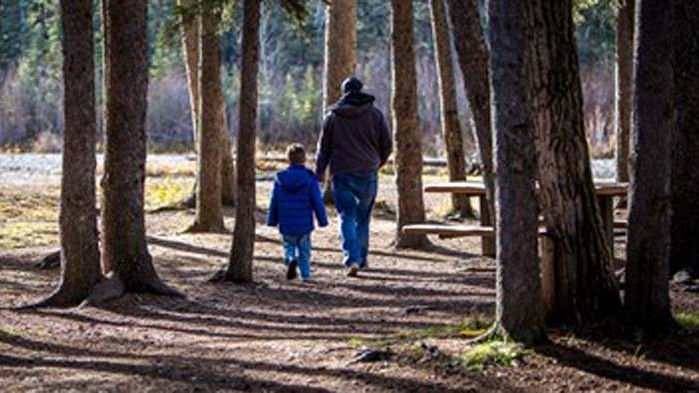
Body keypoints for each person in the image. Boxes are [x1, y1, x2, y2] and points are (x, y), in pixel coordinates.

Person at [315, 77, 393, 277]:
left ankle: (352, 259)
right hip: (367, 171)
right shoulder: (375, 115)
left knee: (346, 217)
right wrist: (378, 163)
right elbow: (387, 145)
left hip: (341, 172)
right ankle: (362, 258)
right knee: (363, 218)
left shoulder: (333, 116)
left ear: (344, 92)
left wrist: (319, 173)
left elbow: (323, 149)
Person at [267, 143, 328, 282]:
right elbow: (317, 200)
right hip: (304, 223)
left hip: (286, 221)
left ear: (288, 160)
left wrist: (272, 219)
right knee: (304, 250)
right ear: (304, 160)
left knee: (288, 245)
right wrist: (322, 220)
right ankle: (305, 275)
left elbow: (274, 201)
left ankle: (290, 259)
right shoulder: (310, 178)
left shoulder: (280, 179)